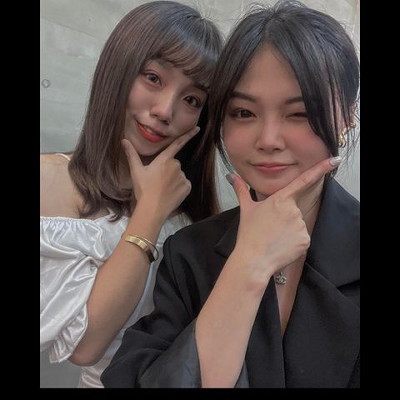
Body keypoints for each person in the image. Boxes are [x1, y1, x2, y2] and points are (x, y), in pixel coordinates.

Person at [101, 0, 360, 388]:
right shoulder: (188, 252)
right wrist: (247, 268)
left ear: (348, 117)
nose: (268, 140)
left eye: (301, 113)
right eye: (243, 112)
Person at [40, 1, 223, 388]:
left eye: (192, 100)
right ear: (118, 68)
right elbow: (85, 346)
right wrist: (149, 214)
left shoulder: (192, 210)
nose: (165, 110)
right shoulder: (51, 180)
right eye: (153, 77)